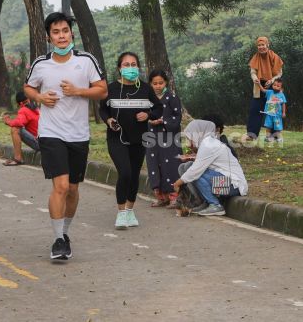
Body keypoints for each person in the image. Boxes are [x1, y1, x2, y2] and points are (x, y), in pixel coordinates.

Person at [24, 12, 107, 260]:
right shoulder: (41, 64)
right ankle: (58, 240)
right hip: (51, 133)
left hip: (78, 134)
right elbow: (28, 86)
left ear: (71, 33)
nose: (61, 36)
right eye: (56, 32)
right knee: (60, 186)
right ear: (49, 37)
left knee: (72, 188)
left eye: (64, 31)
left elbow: (102, 90)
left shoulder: (86, 61)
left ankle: (65, 231)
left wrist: (78, 91)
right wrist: (39, 97)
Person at [99, 52, 162, 230]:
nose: (130, 68)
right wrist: (108, 120)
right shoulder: (110, 89)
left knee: (134, 175)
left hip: (139, 139)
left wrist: (148, 115)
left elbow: (158, 108)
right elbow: (102, 110)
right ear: (119, 68)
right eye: (126, 65)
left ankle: (130, 210)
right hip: (116, 138)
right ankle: (121, 214)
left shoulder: (145, 88)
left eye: (133, 64)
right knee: (125, 172)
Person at [173, 120, 248, 216]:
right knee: (184, 167)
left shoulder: (208, 145)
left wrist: (177, 183)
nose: (189, 141)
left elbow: (195, 171)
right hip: (224, 182)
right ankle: (204, 202)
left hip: (233, 186)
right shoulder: (207, 143)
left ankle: (215, 205)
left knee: (195, 173)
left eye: (190, 136)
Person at [145, 69, 182, 208]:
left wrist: (163, 121)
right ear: (150, 84)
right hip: (152, 136)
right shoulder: (147, 98)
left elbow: (177, 117)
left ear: (165, 82)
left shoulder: (172, 97)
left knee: (171, 164)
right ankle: (161, 197)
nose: (158, 86)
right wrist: (148, 120)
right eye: (155, 83)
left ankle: (174, 197)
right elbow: (141, 114)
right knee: (154, 163)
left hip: (169, 137)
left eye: (161, 83)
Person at [245, 36, 283, 140]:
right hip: (259, 86)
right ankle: (252, 134)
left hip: (272, 86)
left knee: (272, 111)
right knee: (255, 109)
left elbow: (279, 73)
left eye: (263, 45)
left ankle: (274, 135)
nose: (261, 47)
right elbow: (252, 72)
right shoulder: (255, 57)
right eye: (259, 45)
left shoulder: (274, 57)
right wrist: (255, 78)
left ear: (267, 45)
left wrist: (272, 80)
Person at [2, 91, 40, 166]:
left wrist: (8, 121)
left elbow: (19, 123)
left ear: (20, 103)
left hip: (39, 144)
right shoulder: (36, 109)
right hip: (47, 142)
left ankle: (18, 158)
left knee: (15, 129)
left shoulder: (23, 109)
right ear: (28, 99)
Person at [259, 78, 287, 143]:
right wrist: (258, 84)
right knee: (268, 126)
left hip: (277, 115)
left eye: (278, 86)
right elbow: (263, 90)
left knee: (278, 127)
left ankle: (279, 138)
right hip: (269, 114)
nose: (275, 86)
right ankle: (267, 138)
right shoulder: (269, 92)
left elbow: (283, 104)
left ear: (281, 88)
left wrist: (283, 112)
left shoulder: (281, 95)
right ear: (272, 85)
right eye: (274, 85)